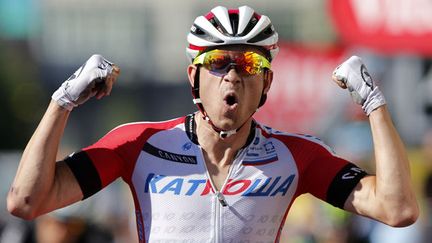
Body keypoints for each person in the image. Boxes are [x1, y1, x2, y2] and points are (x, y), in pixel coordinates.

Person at [7, 5, 419, 242]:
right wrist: (61, 103)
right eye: (217, 63)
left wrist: (374, 104)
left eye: (250, 63)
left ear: (267, 81)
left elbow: (397, 209)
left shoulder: (297, 156)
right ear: (194, 78)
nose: (233, 75)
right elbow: (27, 202)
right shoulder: (139, 143)